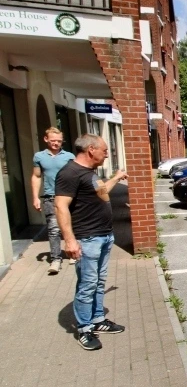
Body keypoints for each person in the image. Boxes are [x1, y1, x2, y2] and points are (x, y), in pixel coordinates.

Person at [55, 134, 128, 351]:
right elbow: (60, 206)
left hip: (104, 236)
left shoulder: (88, 172)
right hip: (87, 238)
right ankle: (84, 328)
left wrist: (116, 177)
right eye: (104, 151)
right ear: (91, 150)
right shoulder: (69, 173)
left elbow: (101, 192)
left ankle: (97, 320)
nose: (107, 155)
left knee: (98, 281)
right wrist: (70, 240)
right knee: (87, 285)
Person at [31, 127, 76, 274]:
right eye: (53, 141)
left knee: (72, 225)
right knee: (53, 229)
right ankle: (56, 259)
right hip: (50, 197)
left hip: (69, 197)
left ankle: (73, 253)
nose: (56, 143)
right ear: (46, 139)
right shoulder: (39, 157)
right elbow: (36, 176)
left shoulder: (69, 156)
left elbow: (76, 176)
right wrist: (35, 197)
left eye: (59, 141)